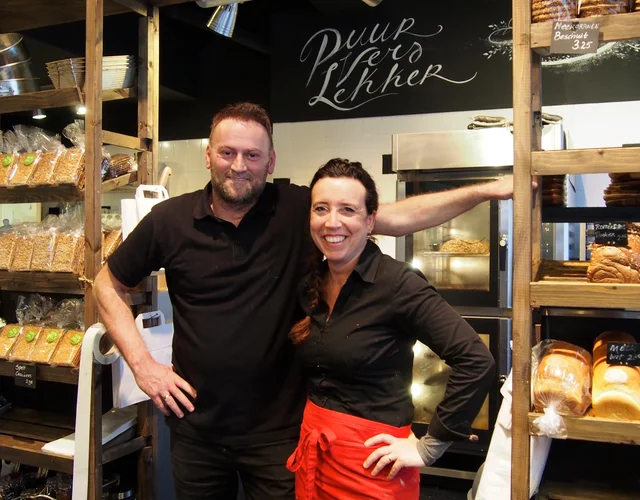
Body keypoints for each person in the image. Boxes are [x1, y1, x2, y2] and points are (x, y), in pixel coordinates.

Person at [93, 102, 515, 500]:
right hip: (196, 431)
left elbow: (398, 217)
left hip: (282, 434)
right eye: (227, 152)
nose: (239, 165)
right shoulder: (169, 221)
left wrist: (489, 191)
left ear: (270, 162)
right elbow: (106, 284)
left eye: (253, 155)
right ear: (208, 155)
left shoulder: (300, 209)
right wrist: (143, 366)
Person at [286, 158, 494, 499]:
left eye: (348, 210)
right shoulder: (312, 282)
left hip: (375, 466)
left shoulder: (398, 284)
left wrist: (430, 446)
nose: (332, 222)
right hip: (316, 459)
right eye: (321, 208)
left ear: (370, 220)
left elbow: (476, 360)